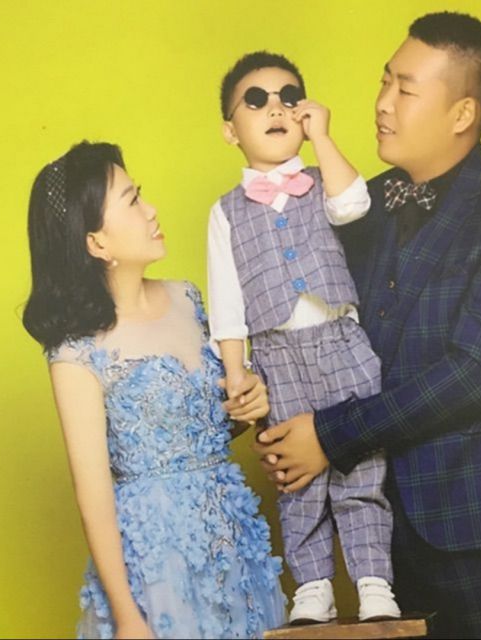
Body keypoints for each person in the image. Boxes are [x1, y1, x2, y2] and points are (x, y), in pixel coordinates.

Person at [254, 12, 481, 639]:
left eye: (406, 89)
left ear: (462, 113)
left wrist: (328, 435)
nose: (382, 103)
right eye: (384, 81)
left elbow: (474, 373)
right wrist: (263, 400)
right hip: (374, 530)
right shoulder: (354, 203)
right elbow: (308, 327)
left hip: (479, 524)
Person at [22, 141, 286, 639]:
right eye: (132, 201)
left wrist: (250, 401)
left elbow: (204, 424)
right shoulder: (76, 351)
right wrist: (127, 617)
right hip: (157, 563)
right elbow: (93, 490)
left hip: (235, 539)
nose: (151, 209)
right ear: (96, 242)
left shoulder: (186, 298)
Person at [207, 51, 400, 623]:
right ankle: (313, 587)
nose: (276, 108)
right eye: (256, 101)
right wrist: (237, 374)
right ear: (230, 131)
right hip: (275, 356)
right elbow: (227, 303)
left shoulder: (321, 180)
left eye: (289, 98)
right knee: (296, 480)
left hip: (341, 342)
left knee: (362, 470)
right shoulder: (225, 212)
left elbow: (353, 204)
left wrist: (323, 139)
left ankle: (374, 582)